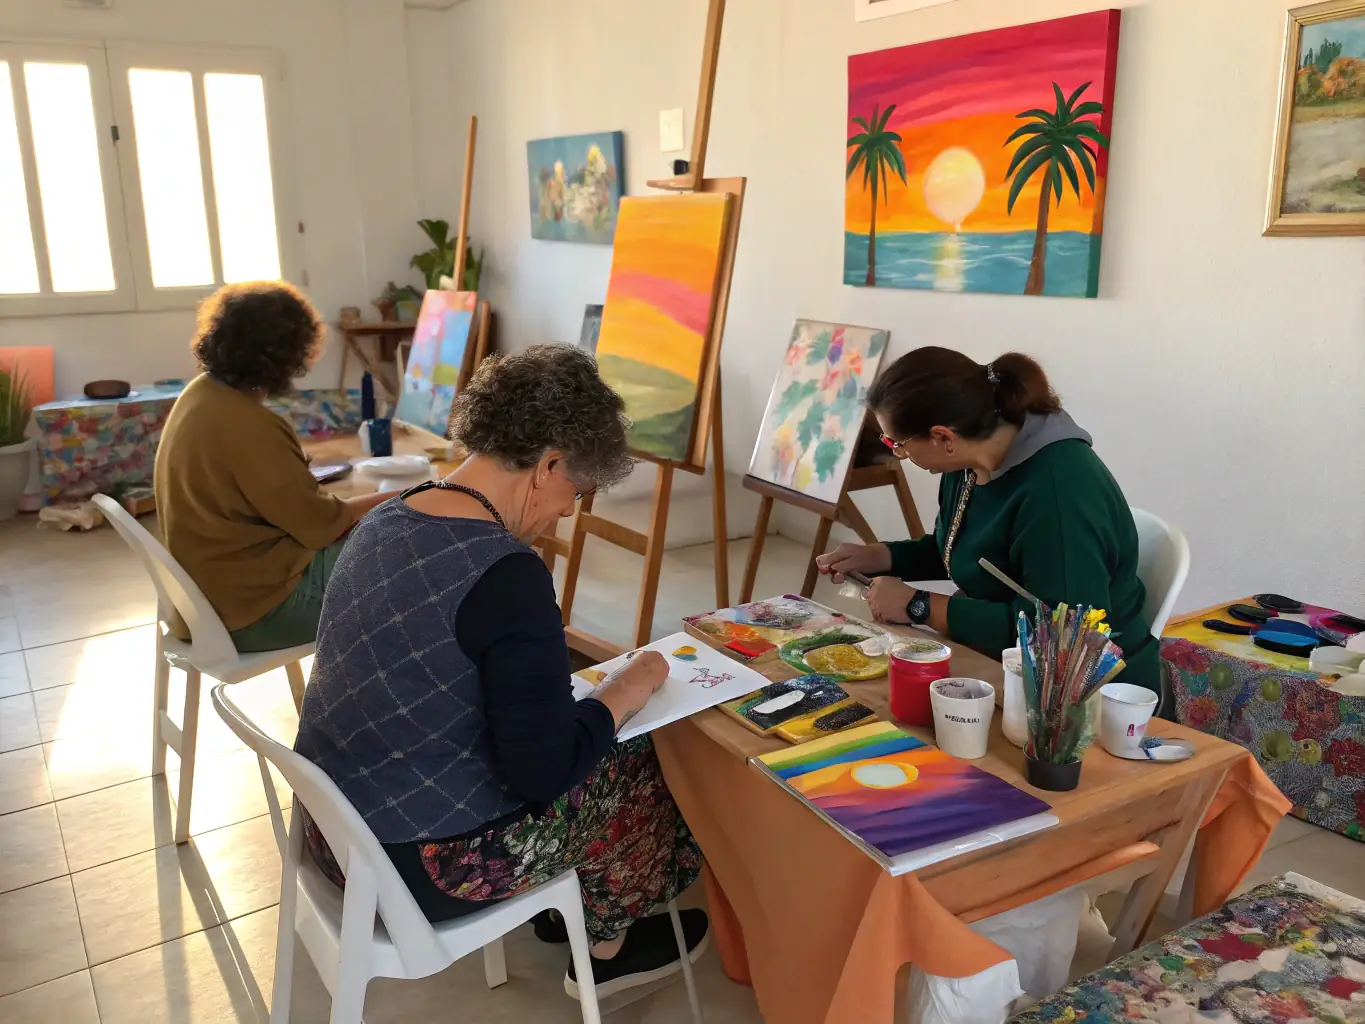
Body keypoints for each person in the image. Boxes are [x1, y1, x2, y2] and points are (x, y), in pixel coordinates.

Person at [294, 345, 708, 999]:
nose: (569, 510)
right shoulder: (506, 573)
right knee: (636, 758)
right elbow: (541, 771)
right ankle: (606, 948)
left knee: (586, 729)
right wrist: (622, 692)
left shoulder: (384, 520)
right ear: (547, 465)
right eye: (577, 489)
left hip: (334, 839)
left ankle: (561, 903)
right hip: (421, 872)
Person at [817, 347, 1157, 694]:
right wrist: (881, 556)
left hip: (1088, 693)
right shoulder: (969, 461)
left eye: (898, 444)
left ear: (943, 437)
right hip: (1002, 658)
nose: (898, 454)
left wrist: (919, 605)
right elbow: (963, 549)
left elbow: (1063, 634)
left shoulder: (1058, 493)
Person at [155, 282, 392, 653]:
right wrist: (399, 498)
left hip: (206, 600)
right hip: (251, 612)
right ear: (286, 354)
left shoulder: (199, 394)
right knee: (405, 559)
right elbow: (319, 525)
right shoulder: (247, 422)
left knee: (384, 541)